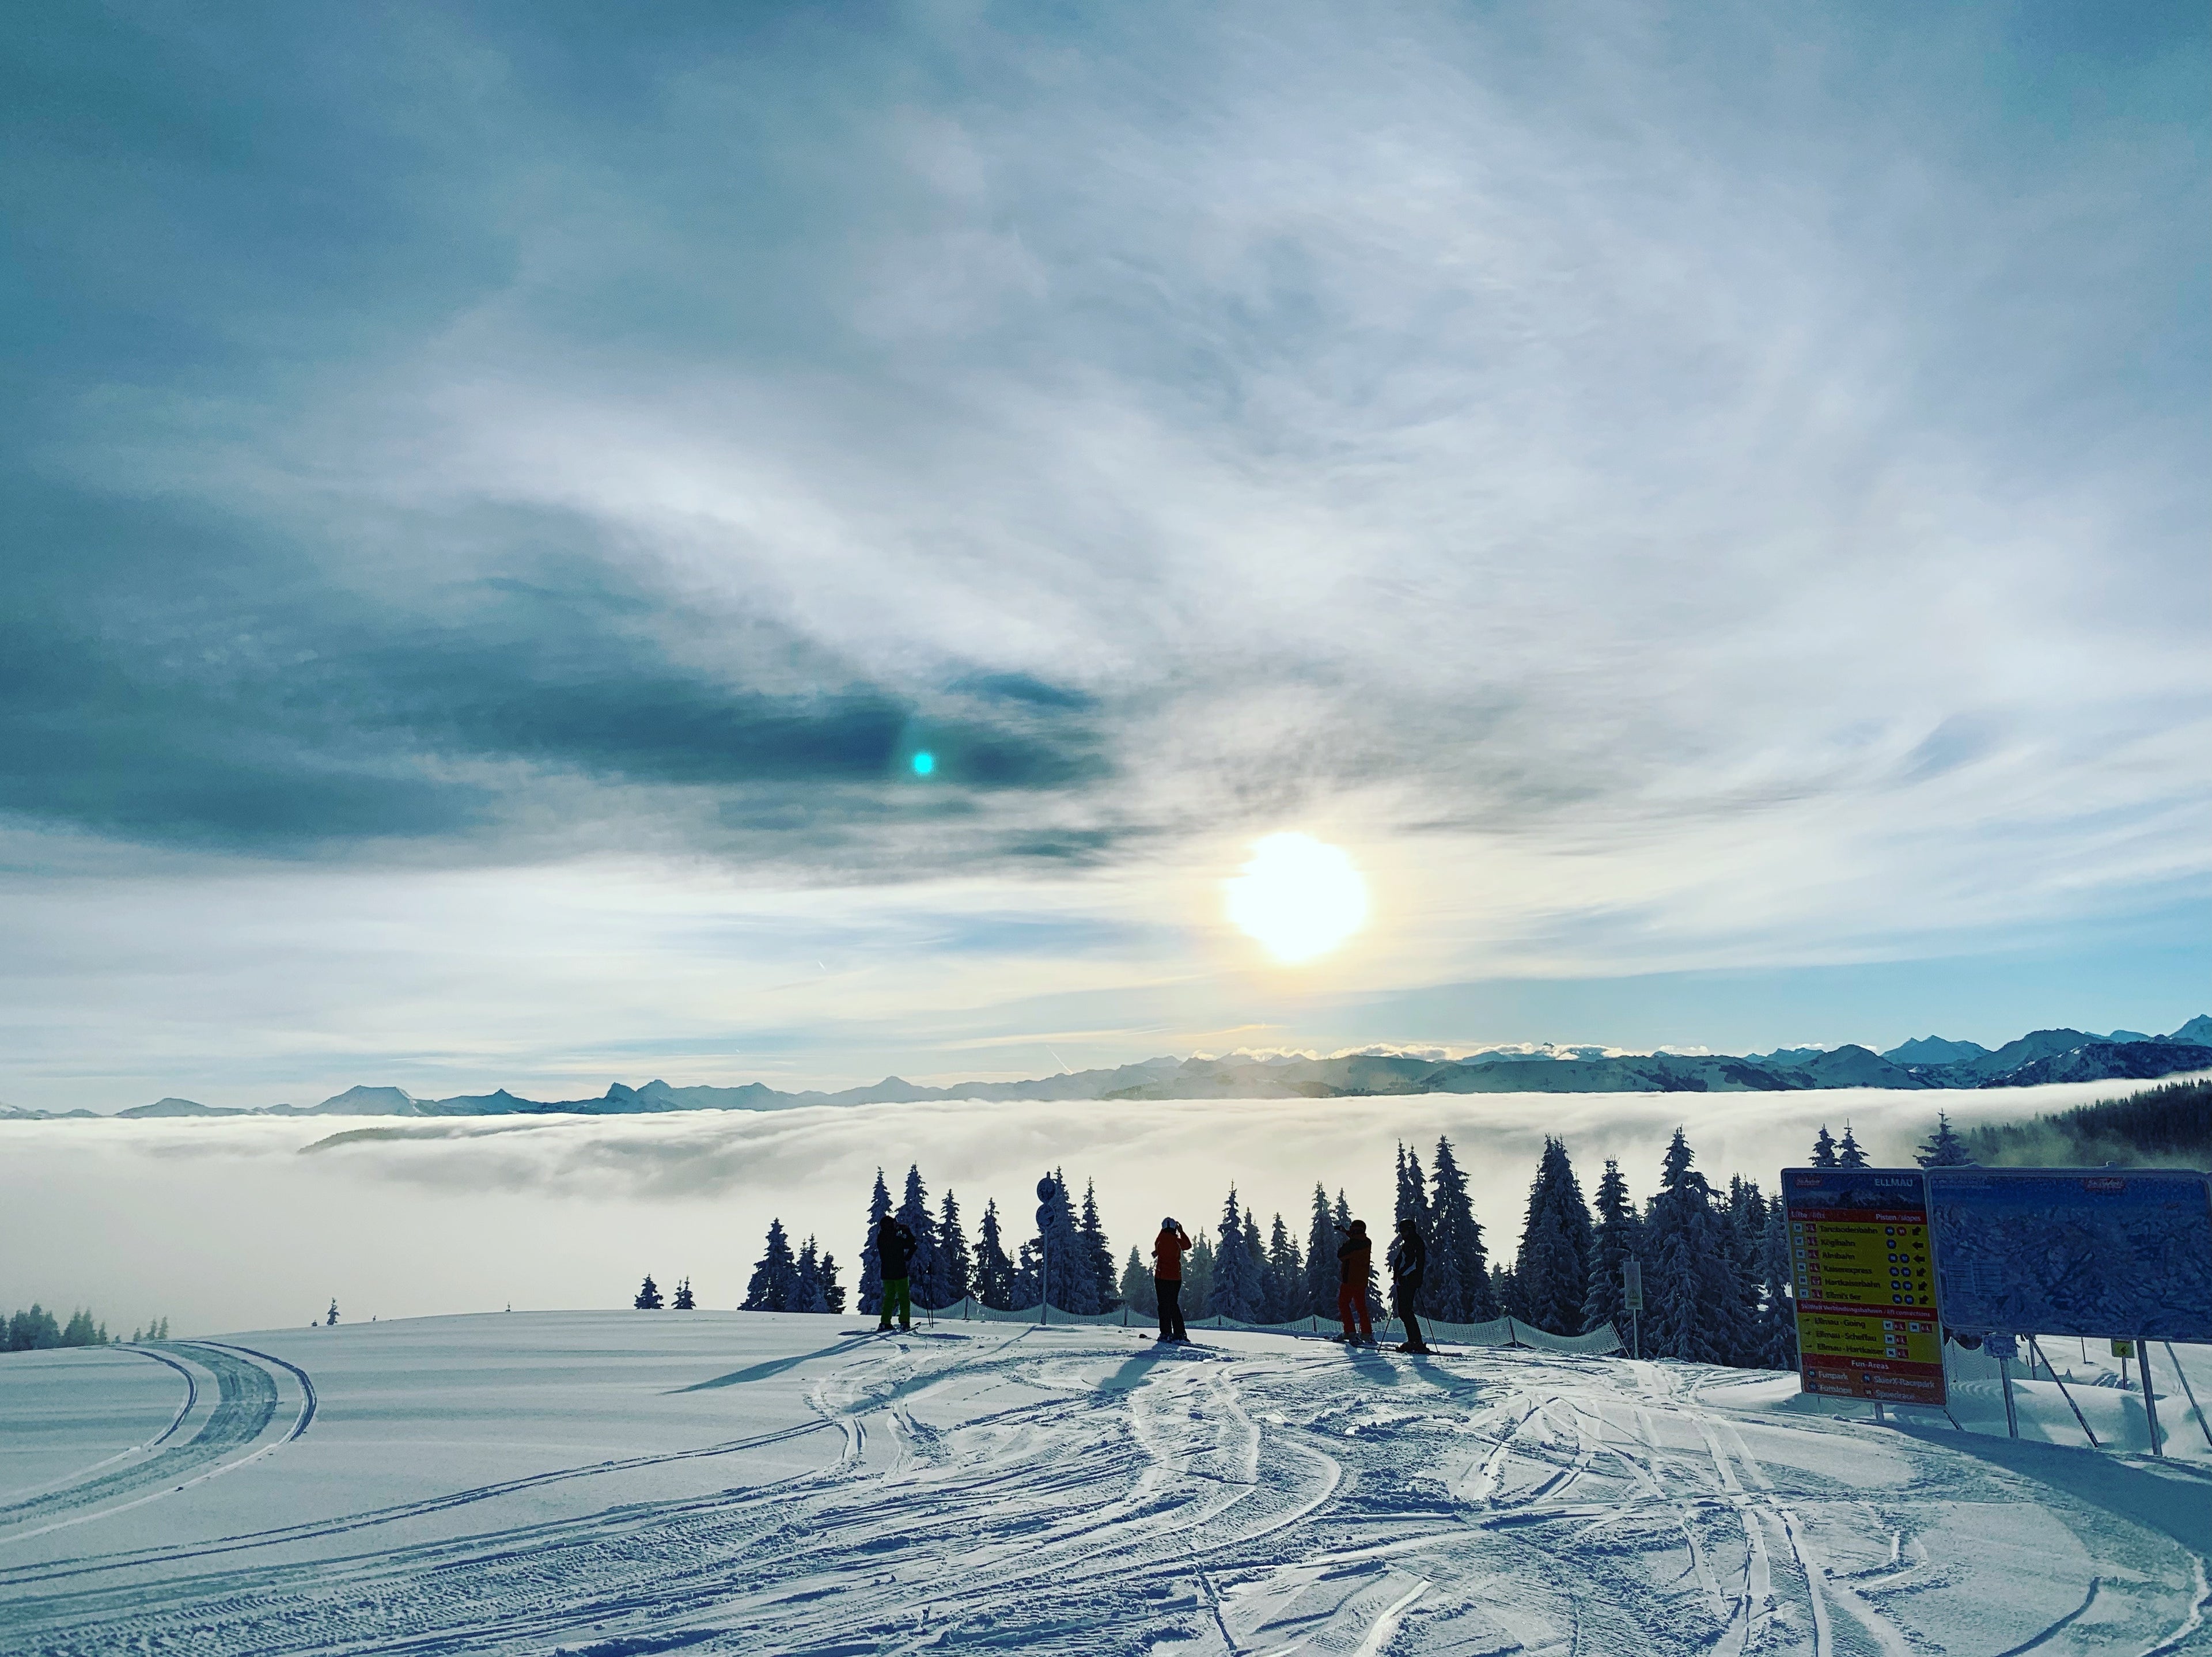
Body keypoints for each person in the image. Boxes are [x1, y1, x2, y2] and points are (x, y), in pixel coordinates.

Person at [1388, 1216, 1429, 1353]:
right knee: (1405, 1312)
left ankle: (1415, 1341)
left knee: (1406, 1311)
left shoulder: (1415, 1242)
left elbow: (1414, 1263)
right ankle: (1414, 1340)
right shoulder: (1409, 1242)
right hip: (1405, 1281)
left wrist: (1401, 1275)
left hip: (1409, 1281)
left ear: (1410, 1230)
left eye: (1404, 1231)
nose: (1402, 1234)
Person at [1153, 1217, 1192, 1342]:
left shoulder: (1160, 1240)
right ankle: (1180, 1333)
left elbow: (1158, 1246)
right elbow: (1188, 1245)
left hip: (1161, 1278)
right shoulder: (1177, 1241)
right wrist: (1181, 1232)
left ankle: (1166, 1333)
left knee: (1163, 1305)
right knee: (1173, 1305)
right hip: (1175, 1278)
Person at [876, 1212, 917, 1333]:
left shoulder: (881, 1238)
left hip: (886, 1273)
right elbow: (911, 1243)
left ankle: (885, 1322)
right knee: (904, 1297)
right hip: (900, 1273)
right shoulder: (897, 1239)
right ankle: (904, 1322)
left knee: (889, 1298)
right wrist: (906, 1230)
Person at [1336, 1218, 1374, 1344]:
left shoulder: (1353, 1244)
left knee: (1343, 1304)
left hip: (1350, 1280)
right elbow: (1357, 1238)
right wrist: (1345, 1232)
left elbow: (1341, 1255)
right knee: (1361, 1307)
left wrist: (1348, 1235)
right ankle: (1367, 1333)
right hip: (1361, 1281)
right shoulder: (1366, 1242)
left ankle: (1350, 1331)